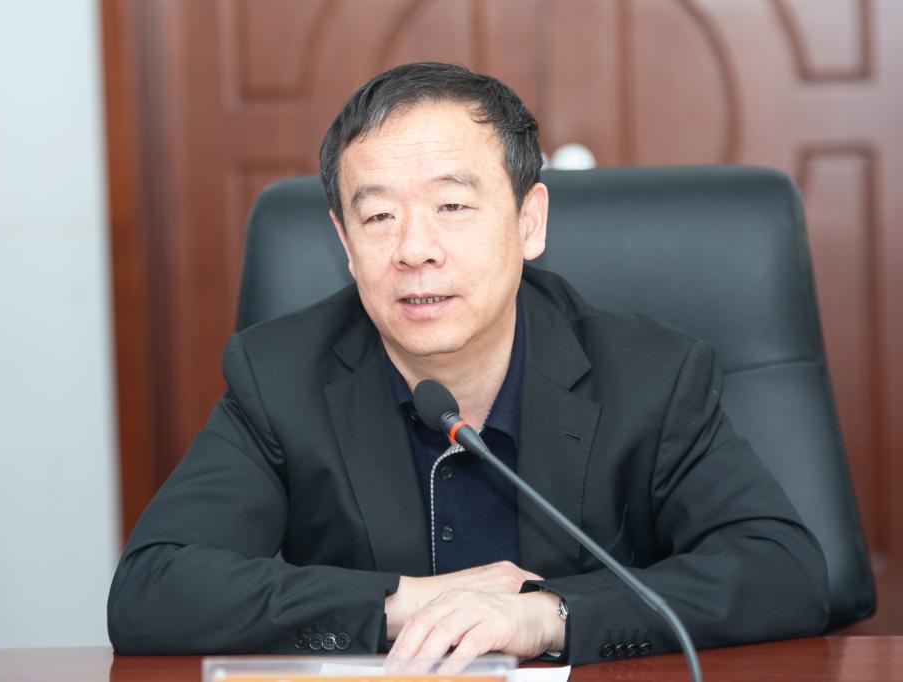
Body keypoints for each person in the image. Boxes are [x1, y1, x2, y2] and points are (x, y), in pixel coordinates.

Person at [107, 62, 830, 667]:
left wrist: (550, 615)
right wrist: (405, 603)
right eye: (378, 216)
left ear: (529, 222)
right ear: (346, 243)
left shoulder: (650, 375)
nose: (414, 249)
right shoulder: (280, 377)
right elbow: (152, 591)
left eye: (452, 206)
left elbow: (783, 571)